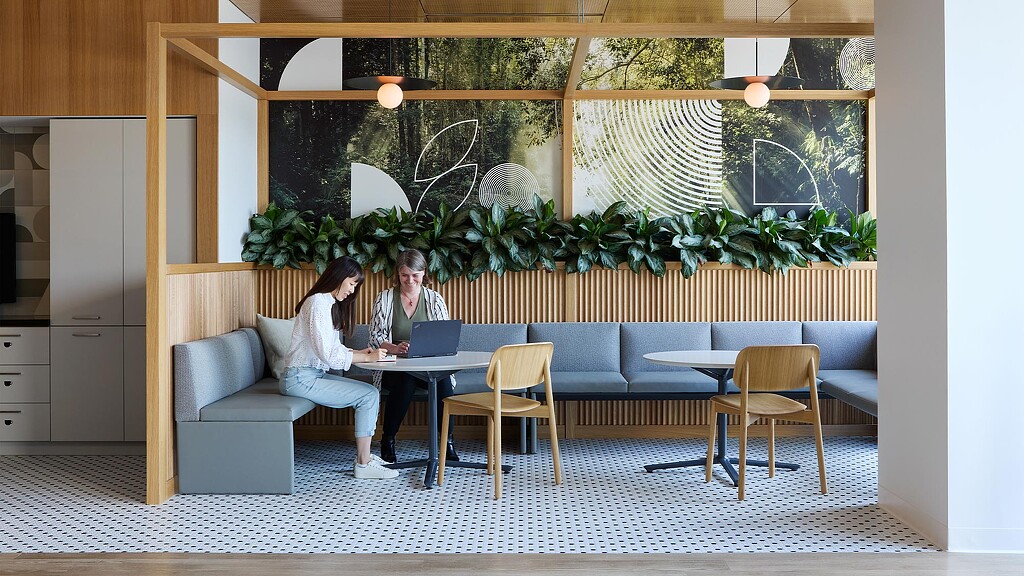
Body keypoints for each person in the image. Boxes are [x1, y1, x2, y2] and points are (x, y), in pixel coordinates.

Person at [279, 256, 398, 480]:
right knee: (368, 396)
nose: (352, 290)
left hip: (310, 376)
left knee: (371, 393)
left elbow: (333, 348)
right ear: (339, 277)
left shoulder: (326, 303)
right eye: (352, 283)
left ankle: (365, 457)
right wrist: (366, 358)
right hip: (299, 379)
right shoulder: (317, 303)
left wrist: (361, 353)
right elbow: (330, 356)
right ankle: (363, 463)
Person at [369, 249, 460, 464]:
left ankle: (447, 441)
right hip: (394, 366)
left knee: (444, 383)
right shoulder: (384, 299)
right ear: (398, 275)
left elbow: (444, 336)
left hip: (429, 365)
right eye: (405, 275)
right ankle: (388, 440)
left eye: (415, 275)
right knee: (406, 379)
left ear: (424, 273)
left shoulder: (434, 299)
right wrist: (395, 348)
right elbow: (375, 337)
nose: (410, 280)